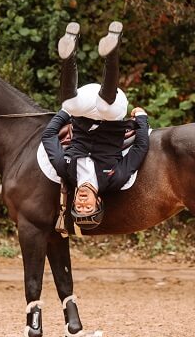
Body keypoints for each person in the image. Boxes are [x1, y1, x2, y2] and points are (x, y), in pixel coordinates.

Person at [41, 21, 150, 231]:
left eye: (79, 208)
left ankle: (70, 47)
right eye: (87, 207)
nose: (82, 204)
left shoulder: (67, 170)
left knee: (69, 102)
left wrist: (65, 113)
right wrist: (142, 120)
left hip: (84, 106)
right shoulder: (115, 178)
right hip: (114, 110)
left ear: (73, 202)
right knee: (105, 107)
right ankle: (113, 47)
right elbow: (139, 149)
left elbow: (48, 136)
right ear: (98, 201)